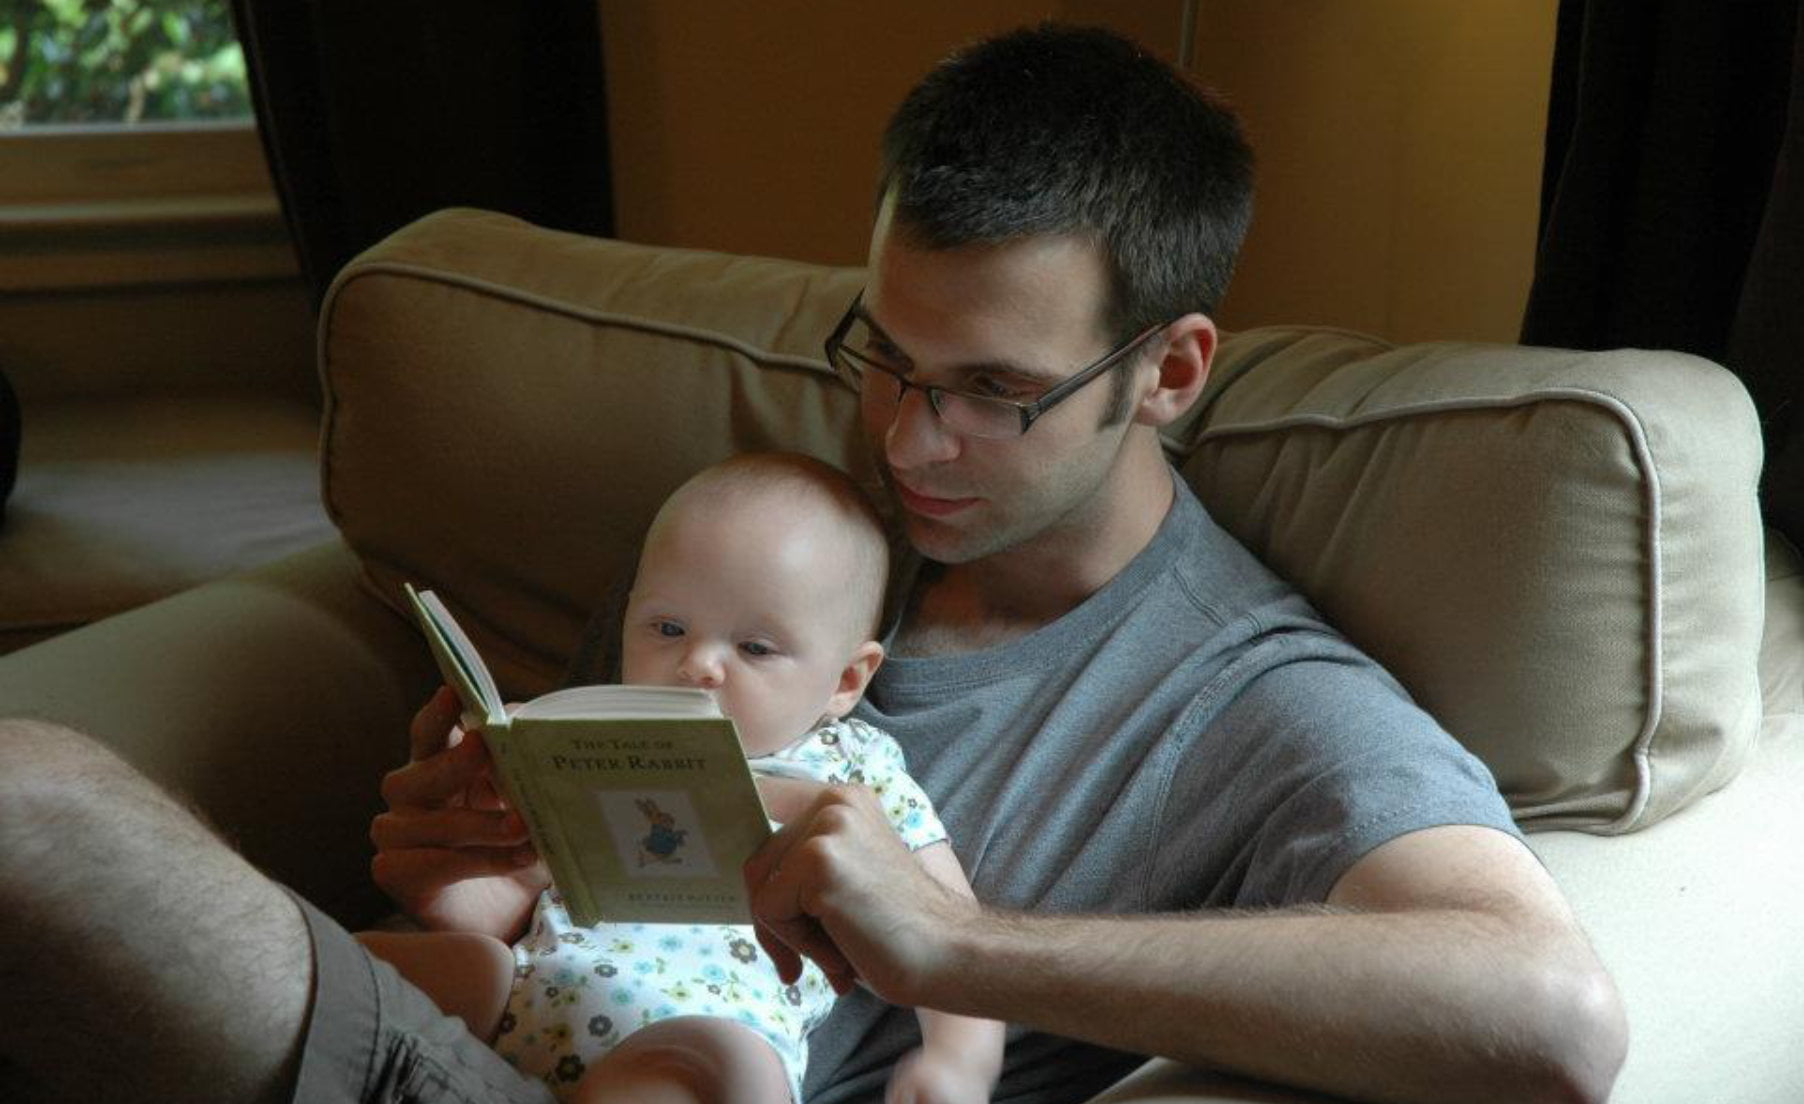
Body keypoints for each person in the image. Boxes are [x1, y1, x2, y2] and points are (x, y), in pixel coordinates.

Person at [0, 21, 1628, 1104]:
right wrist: (455, 817)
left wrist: (951, 945)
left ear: (1170, 368)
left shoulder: (1253, 698)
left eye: (995, 392)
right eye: (886, 354)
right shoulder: (777, 524)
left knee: (39, 809)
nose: (911, 441)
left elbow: (1550, 1015)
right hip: (461, 999)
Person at [357, 452, 1003, 1104]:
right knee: (403, 964)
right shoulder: (602, 738)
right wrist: (462, 852)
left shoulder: (859, 770)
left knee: (715, 1064)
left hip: (700, 1028)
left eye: (753, 648)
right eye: (667, 628)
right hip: (525, 995)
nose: (697, 664)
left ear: (845, 681)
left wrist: (959, 1060)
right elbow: (502, 910)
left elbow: (948, 934)